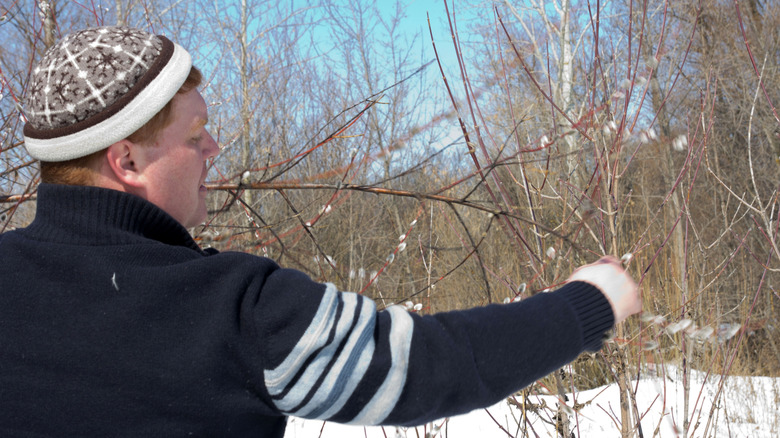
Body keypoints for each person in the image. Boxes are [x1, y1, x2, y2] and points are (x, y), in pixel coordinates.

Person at [0, 26, 641, 437]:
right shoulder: (232, 308)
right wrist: (587, 307)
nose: (215, 148)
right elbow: (426, 367)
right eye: (195, 137)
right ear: (128, 161)